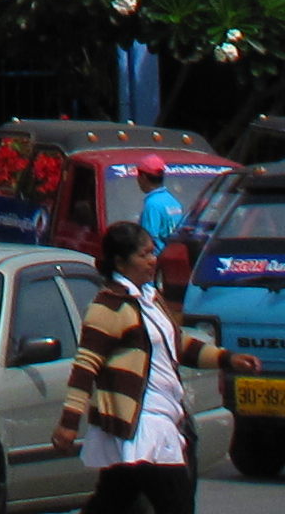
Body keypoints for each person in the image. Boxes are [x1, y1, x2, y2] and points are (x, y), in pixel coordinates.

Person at [53, 219, 236, 514]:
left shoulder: (151, 299)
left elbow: (179, 344)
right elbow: (86, 366)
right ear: (120, 262)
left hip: (164, 416)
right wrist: (69, 422)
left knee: (113, 500)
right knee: (175, 503)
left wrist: (227, 359)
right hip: (142, 424)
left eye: (153, 252)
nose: (153, 260)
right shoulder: (109, 306)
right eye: (144, 255)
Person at [136, 157, 187, 254]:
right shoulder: (172, 201)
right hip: (172, 256)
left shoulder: (152, 205)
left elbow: (147, 240)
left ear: (143, 177)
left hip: (158, 261)